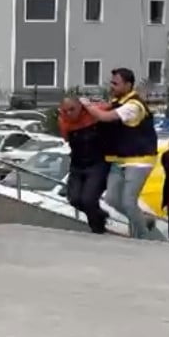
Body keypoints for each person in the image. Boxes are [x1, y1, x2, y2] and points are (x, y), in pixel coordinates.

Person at [81, 68, 159, 239]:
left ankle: (144, 238)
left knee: (128, 201)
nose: (112, 86)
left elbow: (105, 117)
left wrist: (87, 105)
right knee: (111, 199)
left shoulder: (133, 105)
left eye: (116, 83)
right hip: (120, 159)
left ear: (128, 85)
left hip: (139, 160)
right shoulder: (118, 100)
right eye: (112, 82)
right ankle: (143, 219)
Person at [59, 96, 109, 234]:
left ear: (80, 107)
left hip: (97, 164)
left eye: (72, 109)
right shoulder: (63, 121)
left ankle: (97, 229)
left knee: (88, 199)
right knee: (74, 199)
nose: (69, 113)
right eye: (66, 111)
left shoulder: (94, 112)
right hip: (77, 165)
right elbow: (66, 139)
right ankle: (99, 215)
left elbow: (111, 111)